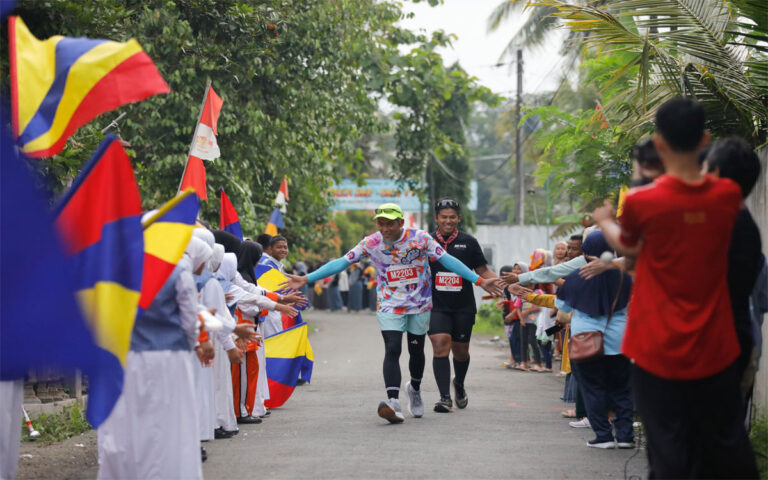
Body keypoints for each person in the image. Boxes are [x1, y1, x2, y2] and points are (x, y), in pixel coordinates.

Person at [594, 98, 758, 477]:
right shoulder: (727, 196)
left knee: (668, 450)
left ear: (660, 143)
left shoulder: (642, 201)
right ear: (705, 139)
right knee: (726, 444)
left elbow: (631, 248)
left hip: (655, 346)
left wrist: (604, 222)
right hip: (714, 346)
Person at [283, 203, 503, 424]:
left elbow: (448, 260)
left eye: (390, 224)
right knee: (392, 348)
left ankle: (414, 387)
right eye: (381, 223)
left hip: (419, 303)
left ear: (401, 223)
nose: (385, 228)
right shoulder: (371, 242)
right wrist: (307, 278)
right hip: (389, 303)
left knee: (416, 351)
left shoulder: (421, 238)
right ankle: (393, 402)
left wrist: (479, 280)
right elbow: (342, 261)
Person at [98, 237, 212, 479]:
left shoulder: (121, 271)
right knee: (171, 420)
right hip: (171, 358)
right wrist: (190, 345)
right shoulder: (180, 273)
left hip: (130, 357)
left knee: (136, 418)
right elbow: (190, 323)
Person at [706, 137, 763, 409]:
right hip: (735, 343)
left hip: (714, 349)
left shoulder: (720, 226)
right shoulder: (743, 225)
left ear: (715, 174)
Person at [428, 198, 497, 412]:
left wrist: (505, 285)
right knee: (440, 345)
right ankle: (444, 398)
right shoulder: (426, 241)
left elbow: (483, 271)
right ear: (436, 218)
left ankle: (458, 383)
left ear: (459, 218)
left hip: (463, 306)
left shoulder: (469, 242)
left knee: (460, 352)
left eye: (452, 217)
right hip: (436, 305)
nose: (448, 221)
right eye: (444, 217)